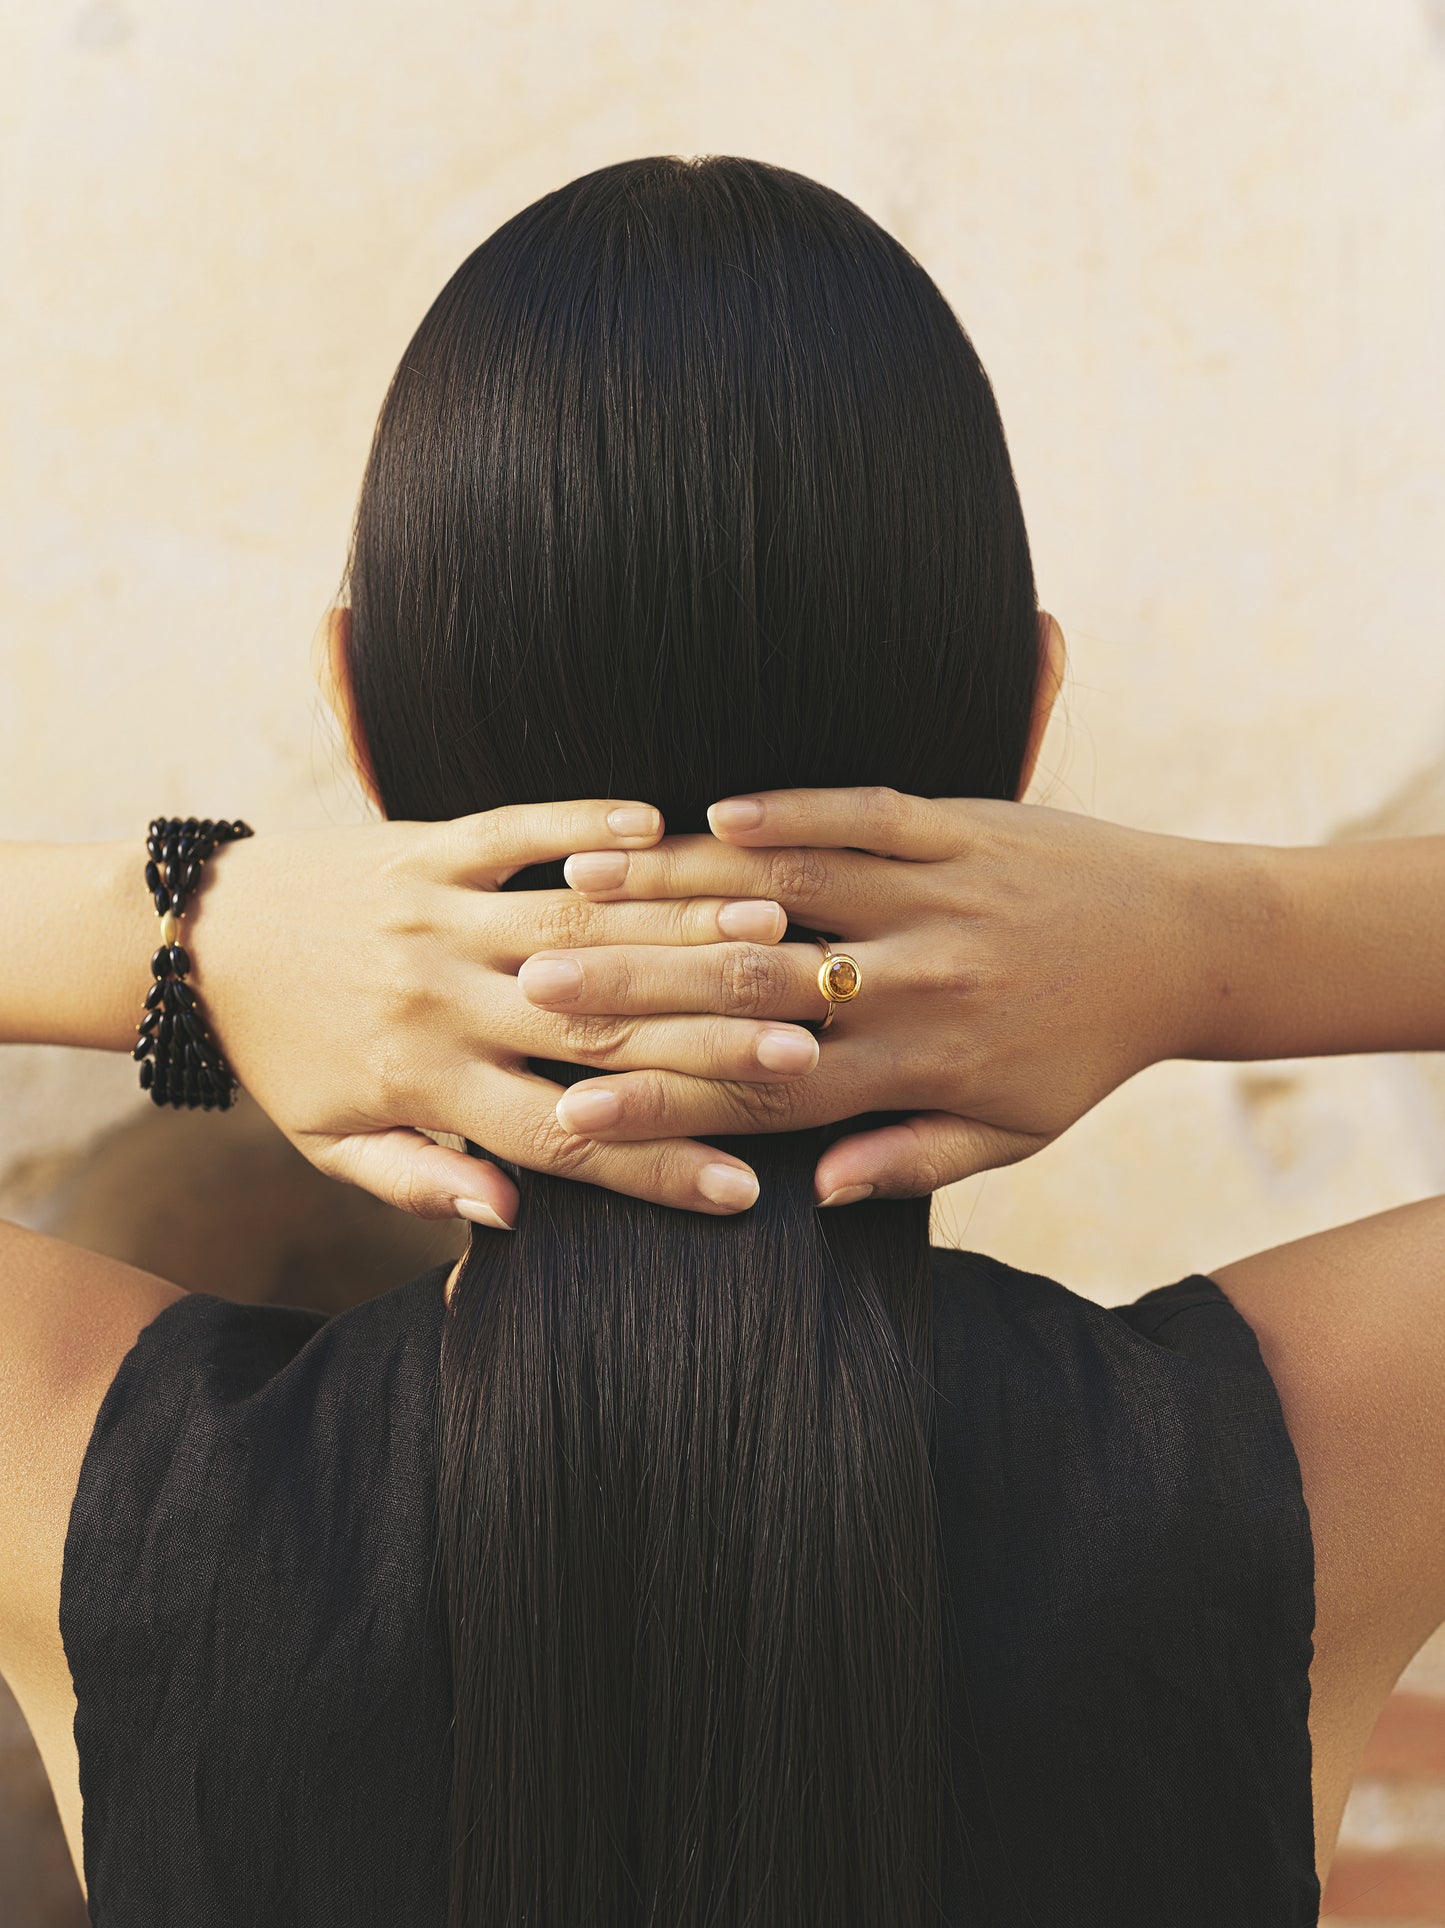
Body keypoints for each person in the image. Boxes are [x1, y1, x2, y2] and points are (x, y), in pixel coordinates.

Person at [0, 153, 1441, 1928]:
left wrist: (190, 927)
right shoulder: (1316, 1454)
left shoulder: (90, 1474)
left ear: (357, 719)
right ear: (1032, 722)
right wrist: (1228, 944)